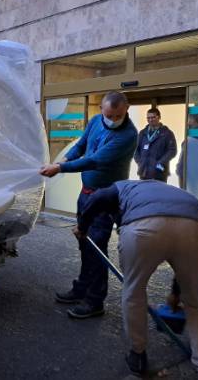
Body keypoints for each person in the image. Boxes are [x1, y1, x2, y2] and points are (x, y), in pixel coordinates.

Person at [75, 179, 198, 379]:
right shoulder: (175, 193)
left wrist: (82, 227)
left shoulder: (121, 186)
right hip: (197, 228)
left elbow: (98, 197)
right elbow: (180, 242)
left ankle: (138, 354)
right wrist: (177, 294)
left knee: (134, 290)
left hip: (143, 226)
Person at [40, 91, 137, 318]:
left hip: (106, 198)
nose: (112, 120)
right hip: (86, 193)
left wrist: (60, 169)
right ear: (102, 110)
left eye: (118, 116)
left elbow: (95, 160)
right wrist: (61, 161)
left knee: (96, 247)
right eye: (109, 115)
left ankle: (95, 301)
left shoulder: (128, 135)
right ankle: (81, 288)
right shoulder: (95, 121)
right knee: (84, 243)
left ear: (126, 110)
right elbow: (81, 146)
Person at [133, 107, 177, 182]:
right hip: (144, 172)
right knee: (145, 193)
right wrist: (140, 162)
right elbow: (135, 150)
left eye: (153, 117)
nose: (150, 120)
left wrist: (160, 162)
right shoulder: (142, 133)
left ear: (159, 117)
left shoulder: (167, 133)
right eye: (148, 118)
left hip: (159, 173)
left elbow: (172, 151)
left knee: (158, 193)